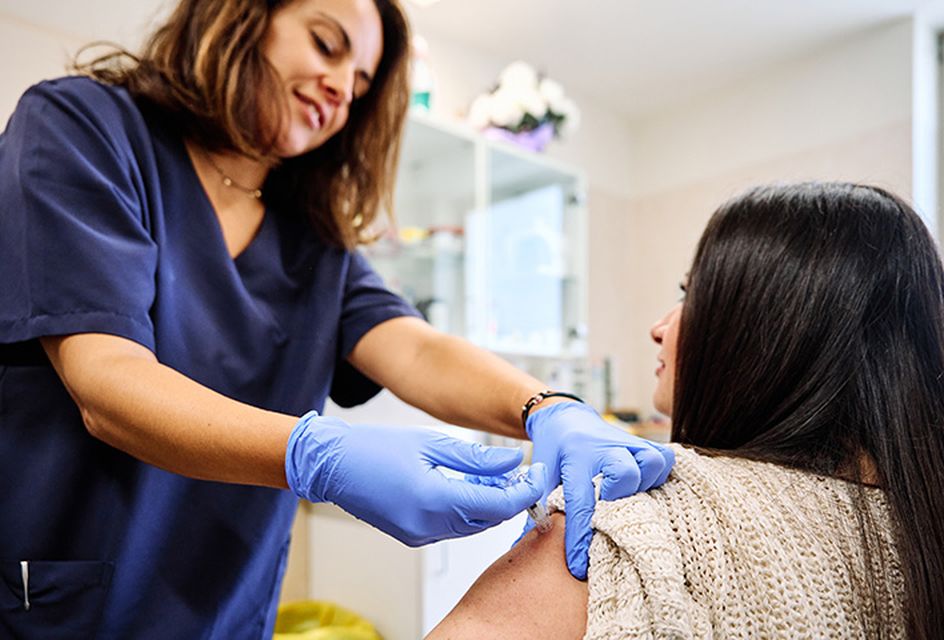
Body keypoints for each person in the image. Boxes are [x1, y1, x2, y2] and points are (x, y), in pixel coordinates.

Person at [0, 0, 676, 637]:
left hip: (222, 609)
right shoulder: (87, 130)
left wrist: (546, 406)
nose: (338, 89)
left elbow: (415, 348)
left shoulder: (314, 242)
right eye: (326, 45)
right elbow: (108, 383)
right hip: (69, 597)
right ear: (243, 16)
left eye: (358, 85)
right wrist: (313, 454)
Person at [427, 182, 944, 639]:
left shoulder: (632, 524)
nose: (660, 326)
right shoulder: (921, 529)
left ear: (767, 329)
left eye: (689, 293)